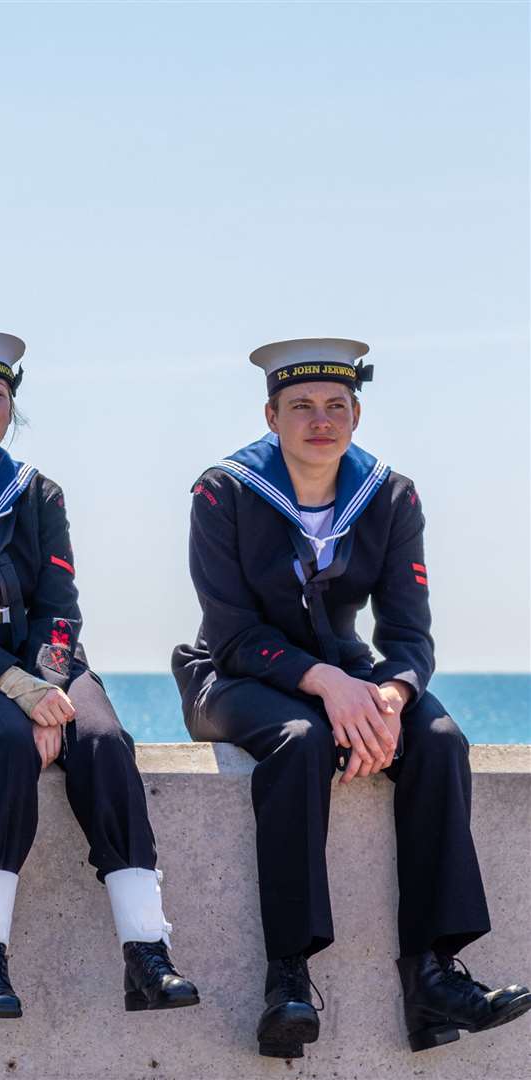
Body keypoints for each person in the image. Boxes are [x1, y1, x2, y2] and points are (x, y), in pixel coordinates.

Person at [171, 337, 530, 1058]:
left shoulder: (389, 494)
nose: (320, 420)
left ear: (357, 416)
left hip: (346, 672)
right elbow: (233, 631)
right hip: (235, 675)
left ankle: (433, 975)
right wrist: (331, 684)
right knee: (300, 743)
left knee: (439, 739)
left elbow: (409, 635)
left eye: (336, 406)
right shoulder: (225, 491)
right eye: (300, 406)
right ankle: (290, 980)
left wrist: (391, 696)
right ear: (271, 416)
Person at [0, 332, 198, 1020]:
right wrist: (17, 694)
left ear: (11, 407)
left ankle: (146, 952)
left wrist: (44, 684)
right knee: (3, 740)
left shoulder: (38, 493)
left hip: (44, 668)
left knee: (104, 740)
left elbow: (59, 609)